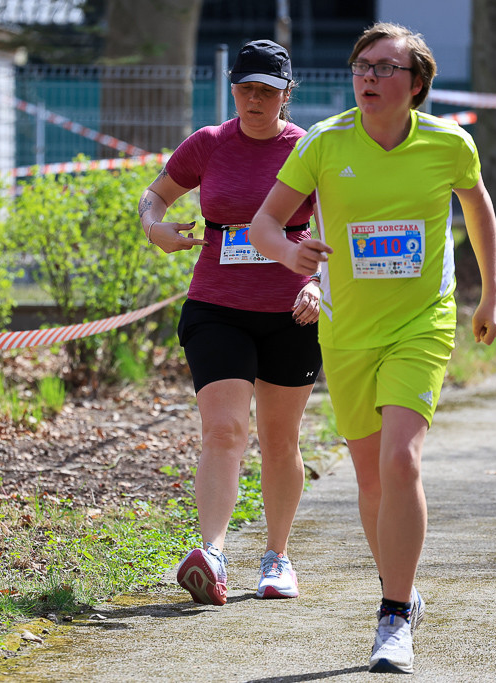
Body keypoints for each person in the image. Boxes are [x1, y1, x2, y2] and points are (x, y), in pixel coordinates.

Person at [249, 23, 496, 674]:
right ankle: (405, 587)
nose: (367, 76)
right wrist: (291, 255)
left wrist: (492, 293)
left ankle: (391, 616)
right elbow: (265, 223)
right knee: (370, 480)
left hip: (422, 322)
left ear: (415, 83)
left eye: (384, 67)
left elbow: (478, 211)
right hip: (347, 326)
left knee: (401, 462)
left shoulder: (449, 144)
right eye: (361, 65)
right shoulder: (324, 143)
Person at [137, 39, 322, 606]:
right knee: (223, 430)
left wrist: (320, 284)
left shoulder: (311, 149)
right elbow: (155, 195)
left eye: (267, 89)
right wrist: (155, 227)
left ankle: (278, 557)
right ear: (233, 88)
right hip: (217, 307)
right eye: (245, 88)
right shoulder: (210, 144)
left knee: (279, 439)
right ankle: (211, 553)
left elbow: (345, 224)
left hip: (292, 311)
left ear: (287, 93)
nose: (254, 99)